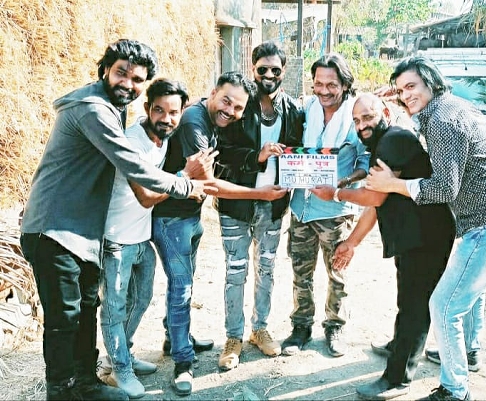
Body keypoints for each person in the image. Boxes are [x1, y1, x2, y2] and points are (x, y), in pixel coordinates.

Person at [19, 39, 216, 401]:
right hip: (53, 227)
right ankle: (60, 393)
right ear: (105, 69)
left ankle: (86, 384)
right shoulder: (93, 109)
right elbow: (134, 166)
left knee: (86, 311)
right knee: (64, 320)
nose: (128, 83)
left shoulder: (113, 108)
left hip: (83, 231)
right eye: (121, 73)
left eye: (137, 78)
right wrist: (186, 184)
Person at [366, 56, 486, 401]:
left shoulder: (442, 120)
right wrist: (405, 100)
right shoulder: (449, 106)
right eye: (400, 90)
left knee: (444, 305)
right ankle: (469, 351)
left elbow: (443, 189)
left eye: (412, 86)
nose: (406, 95)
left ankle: (455, 390)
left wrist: (392, 184)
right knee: (471, 293)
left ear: (431, 82)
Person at [132, 71, 289, 396]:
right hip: (171, 219)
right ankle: (182, 362)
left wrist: (256, 160)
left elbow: (217, 165)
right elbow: (210, 183)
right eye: (226, 101)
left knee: (184, 283)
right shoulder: (194, 122)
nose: (230, 111)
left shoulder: (210, 121)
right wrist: (259, 194)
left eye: (238, 108)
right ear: (213, 91)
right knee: (182, 289)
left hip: (189, 216)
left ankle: (174, 338)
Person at [311, 93, 456, 400]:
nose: (362, 125)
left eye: (368, 117)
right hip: (413, 236)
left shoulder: (394, 140)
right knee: (408, 300)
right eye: (356, 120)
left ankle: (397, 378)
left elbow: (374, 197)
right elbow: (378, 205)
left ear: (386, 113)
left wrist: (336, 194)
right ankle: (399, 346)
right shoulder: (384, 143)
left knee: (414, 307)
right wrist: (351, 242)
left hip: (426, 237)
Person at [213, 41, 304, 371]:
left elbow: (299, 153)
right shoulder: (240, 105)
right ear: (253, 69)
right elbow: (222, 151)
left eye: (275, 70)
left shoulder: (293, 110)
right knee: (235, 271)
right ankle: (233, 337)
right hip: (236, 204)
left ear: (283, 71)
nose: (269, 75)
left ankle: (260, 329)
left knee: (266, 269)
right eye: (262, 69)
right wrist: (257, 156)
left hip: (273, 206)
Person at [98, 78, 190, 398]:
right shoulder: (132, 142)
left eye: (174, 112)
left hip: (140, 237)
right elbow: (147, 196)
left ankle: (121, 354)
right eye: (159, 110)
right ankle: (118, 369)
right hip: (116, 239)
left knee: (141, 298)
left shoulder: (162, 139)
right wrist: (185, 178)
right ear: (147, 108)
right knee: (114, 308)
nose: (166, 118)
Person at [281, 53, 369, 358]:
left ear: (344, 84)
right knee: (300, 272)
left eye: (331, 84)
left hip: (335, 212)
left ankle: (335, 327)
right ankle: (301, 327)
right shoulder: (307, 109)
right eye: (318, 83)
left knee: (337, 275)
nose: (324, 90)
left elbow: (365, 161)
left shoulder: (354, 116)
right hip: (301, 208)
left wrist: (342, 185)